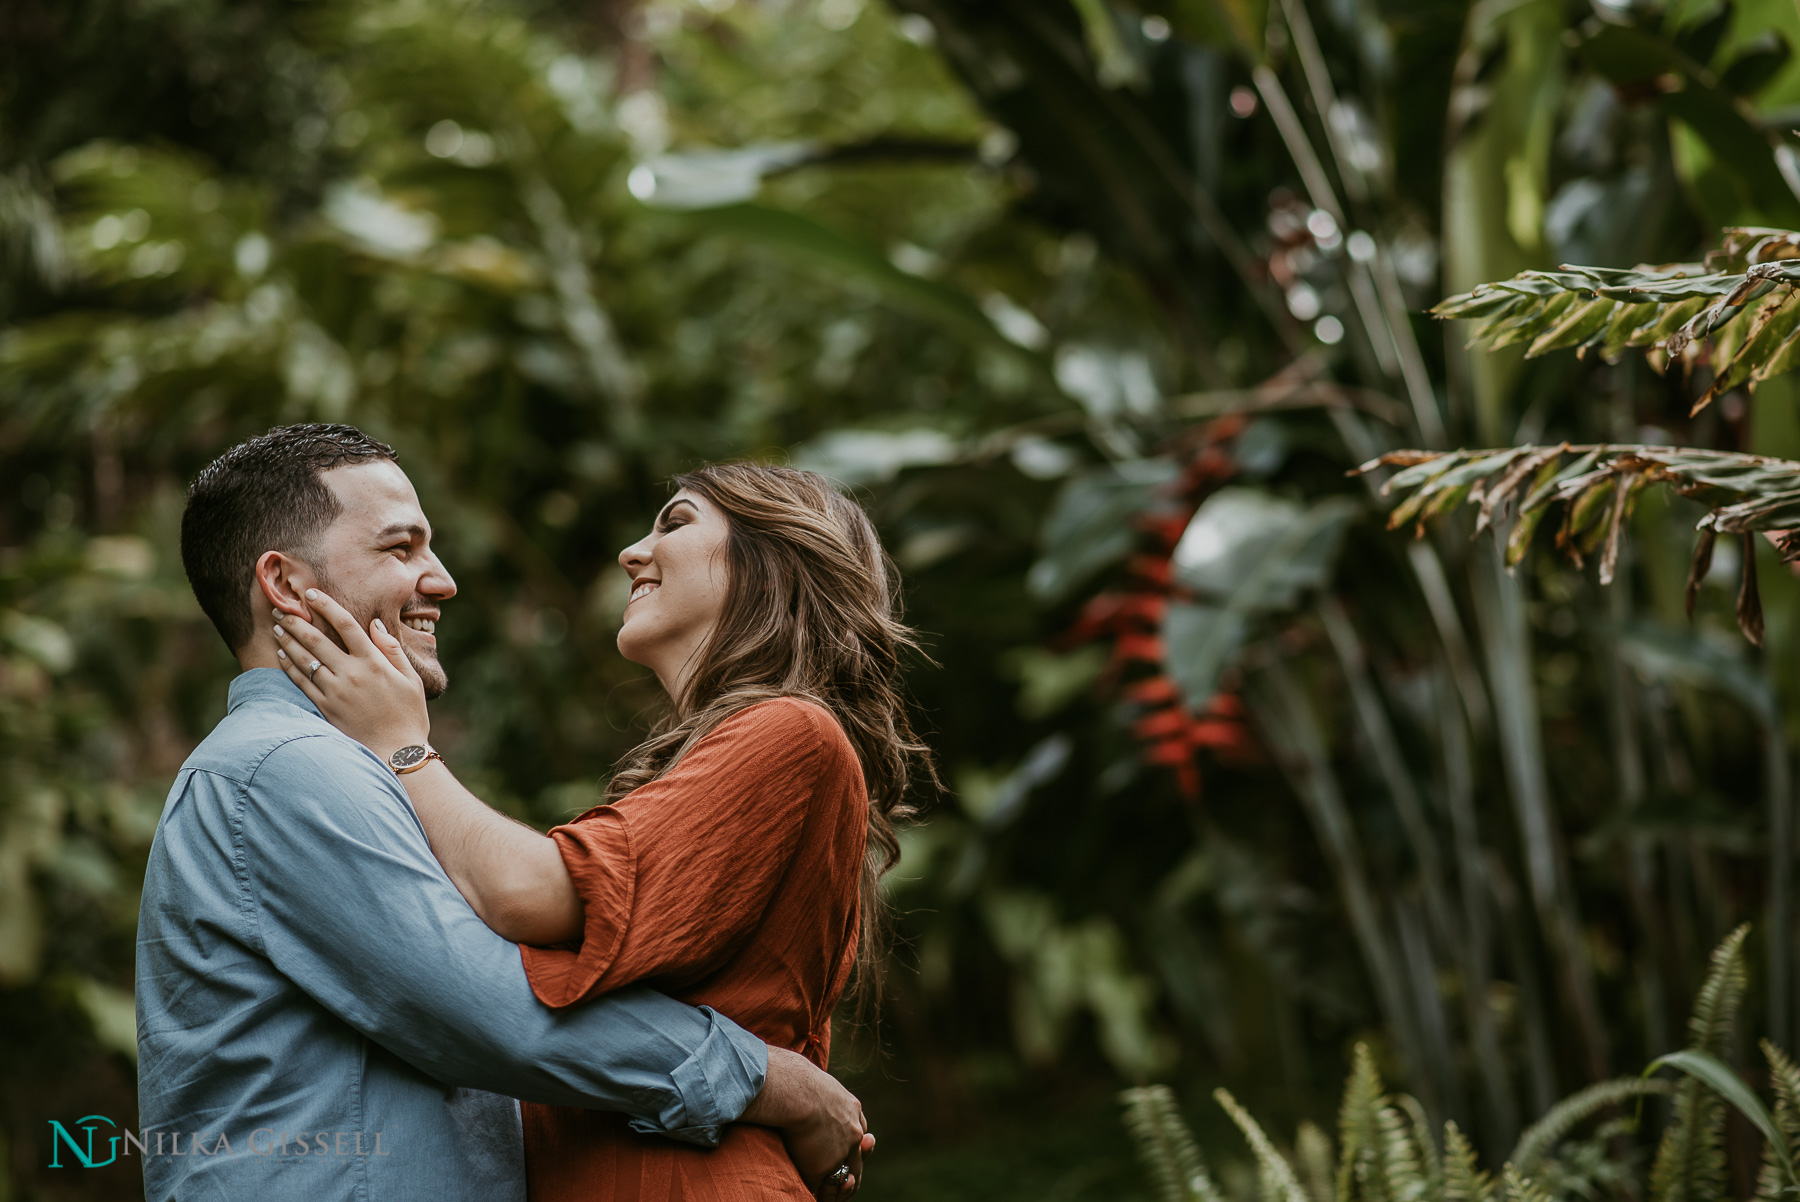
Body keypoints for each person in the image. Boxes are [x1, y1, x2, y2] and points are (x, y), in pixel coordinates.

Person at [139, 425, 869, 1202]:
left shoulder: (357, 767)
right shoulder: (286, 768)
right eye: (401, 548)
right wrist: (769, 1078)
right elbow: (493, 1014)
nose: (443, 579)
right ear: (285, 587)